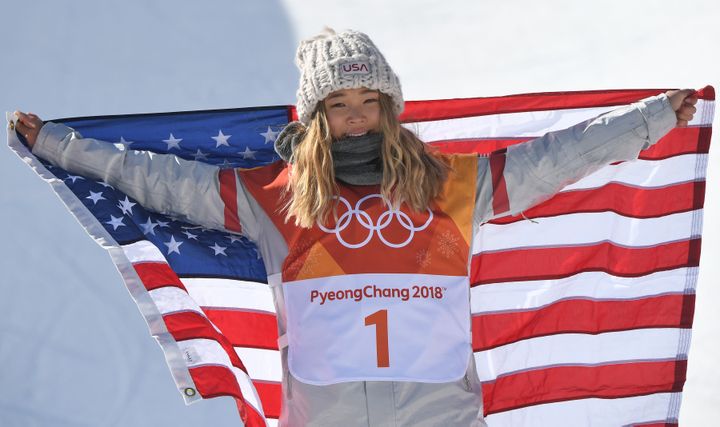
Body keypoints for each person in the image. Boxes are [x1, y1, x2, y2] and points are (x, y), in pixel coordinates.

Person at [15, 28, 697, 427]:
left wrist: (650, 119)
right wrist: (62, 146)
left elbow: (554, 159)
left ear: (390, 105)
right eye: (339, 103)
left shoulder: (453, 184)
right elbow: (162, 181)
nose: (357, 116)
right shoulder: (275, 196)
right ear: (316, 114)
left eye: (369, 100)